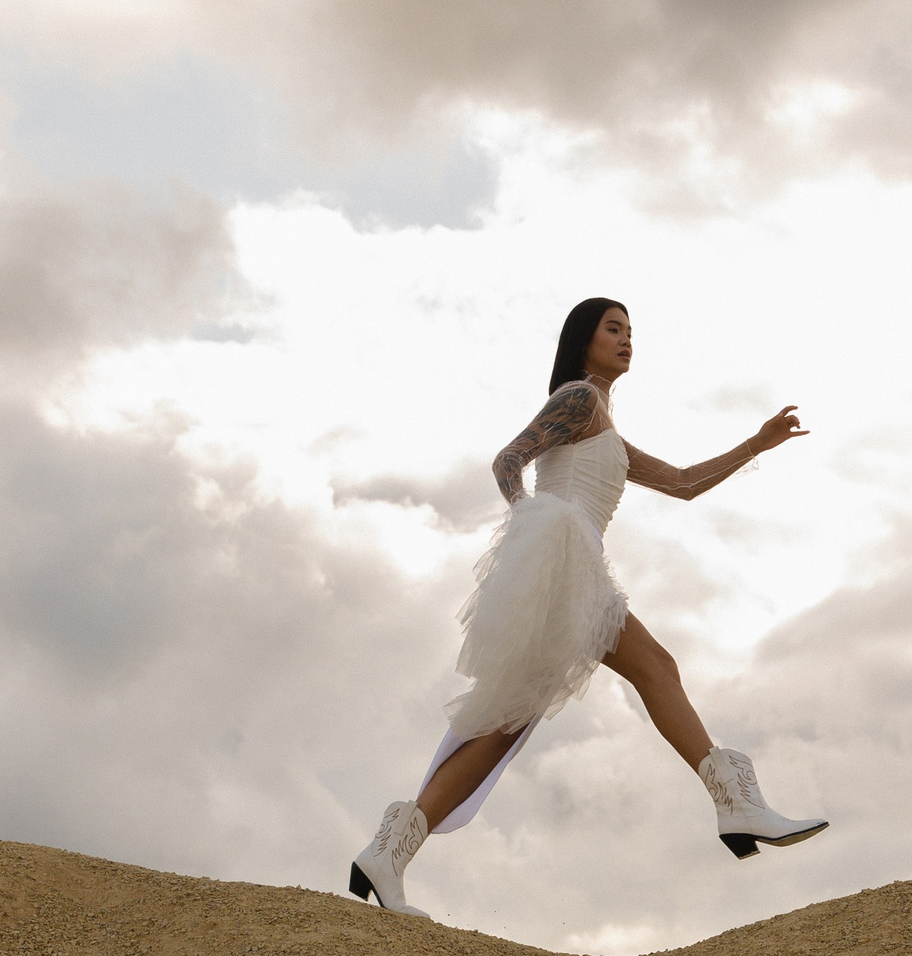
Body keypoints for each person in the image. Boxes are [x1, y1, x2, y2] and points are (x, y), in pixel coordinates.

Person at [348, 297, 827, 918]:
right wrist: (536, 530)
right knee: (655, 668)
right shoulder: (576, 399)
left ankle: (388, 854)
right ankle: (734, 803)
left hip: (566, 573)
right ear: (583, 339)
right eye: (613, 329)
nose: (627, 339)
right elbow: (507, 461)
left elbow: (682, 483)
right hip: (563, 566)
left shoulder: (603, 421)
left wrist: (756, 443)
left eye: (631, 330)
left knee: (501, 729)